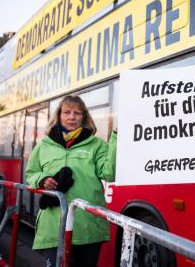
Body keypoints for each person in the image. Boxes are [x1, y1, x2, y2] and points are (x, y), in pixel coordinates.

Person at [26, 95, 117, 267]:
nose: (72, 117)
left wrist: (116, 138)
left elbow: (109, 174)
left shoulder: (96, 144)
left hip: (88, 225)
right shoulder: (44, 145)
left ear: (84, 117)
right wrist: (42, 179)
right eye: (67, 112)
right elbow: (31, 173)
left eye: (77, 113)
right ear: (59, 116)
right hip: (53, 225)